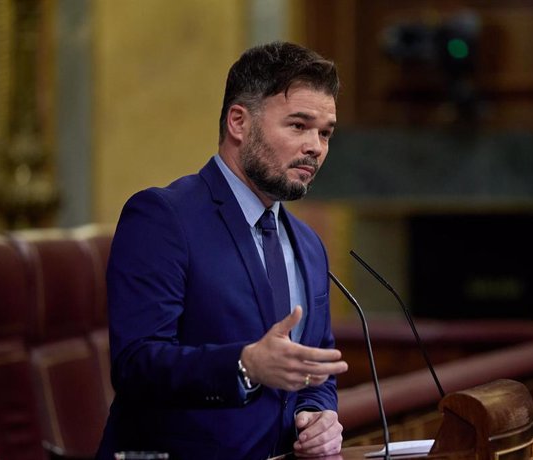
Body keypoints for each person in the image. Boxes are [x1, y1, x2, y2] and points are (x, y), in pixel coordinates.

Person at [96, 41, 349, 459]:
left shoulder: (308, 244)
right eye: (299, 126)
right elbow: (136, 365)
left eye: (325, 133)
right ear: (238, 122)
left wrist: (318, 418)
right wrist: (245, 365)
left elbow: (315, 375)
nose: (316, 147)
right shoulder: (162, 217)